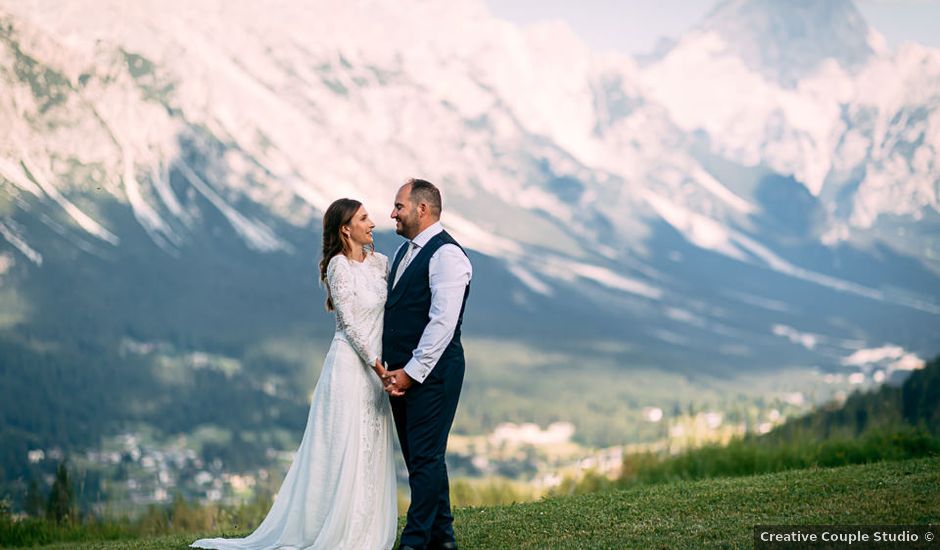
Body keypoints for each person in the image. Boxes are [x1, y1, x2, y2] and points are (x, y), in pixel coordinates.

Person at [191, 198, 398, 550]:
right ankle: (332, 528)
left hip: (377, 372)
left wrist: (388, 365)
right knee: (342, 447)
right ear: (346, 228)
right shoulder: (338, 266)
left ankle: (364, 526)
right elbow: (348, 321)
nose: (373, 223)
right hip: (351, 367)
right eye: (364, 218)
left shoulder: (381, 263)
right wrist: (377, 365)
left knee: (369, 446)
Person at [381, 179, 472, 550]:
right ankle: (443, 538)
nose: (392, 213)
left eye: (399, 206)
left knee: (426, 458)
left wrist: (411, 372)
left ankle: (414, 541)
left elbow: (442, 324)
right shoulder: (406, 253)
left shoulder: (447, 255)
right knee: (424, 458)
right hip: (403, 374)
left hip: (433, 374)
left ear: (422, 209)